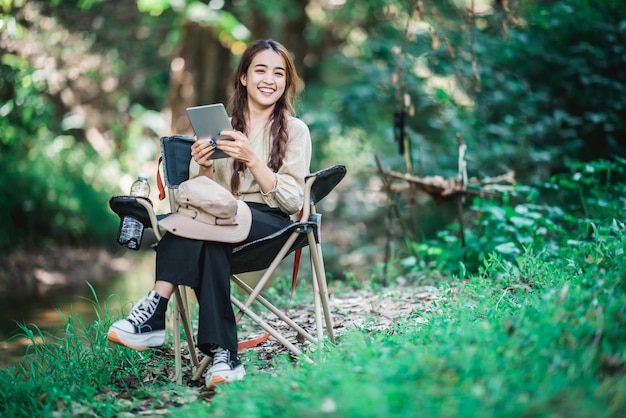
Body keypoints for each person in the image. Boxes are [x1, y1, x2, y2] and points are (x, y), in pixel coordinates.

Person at [107, 39, 312, 389]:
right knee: (212, 238)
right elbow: (206, 195)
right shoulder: (219, 126)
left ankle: (156, 306)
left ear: (286, 82)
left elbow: (292, 202)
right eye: (260, 70)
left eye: (278, 73)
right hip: (218, 223)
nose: (269, 79)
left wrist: (252, 158)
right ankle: (224, 356)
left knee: (206, 229)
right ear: (244, 77)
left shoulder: (295, 131)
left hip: (270, 225)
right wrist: (201, 165)